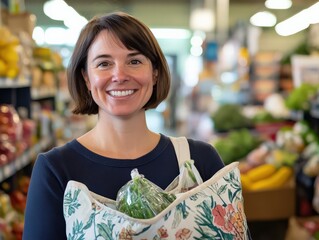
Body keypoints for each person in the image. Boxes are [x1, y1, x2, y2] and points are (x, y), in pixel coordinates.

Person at [23, 12, 249, 239]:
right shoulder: (56, 170)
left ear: (155, 73)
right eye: (104, 63)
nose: (119, 75)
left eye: (134, 61)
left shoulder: (200, 160)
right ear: (86, 78)